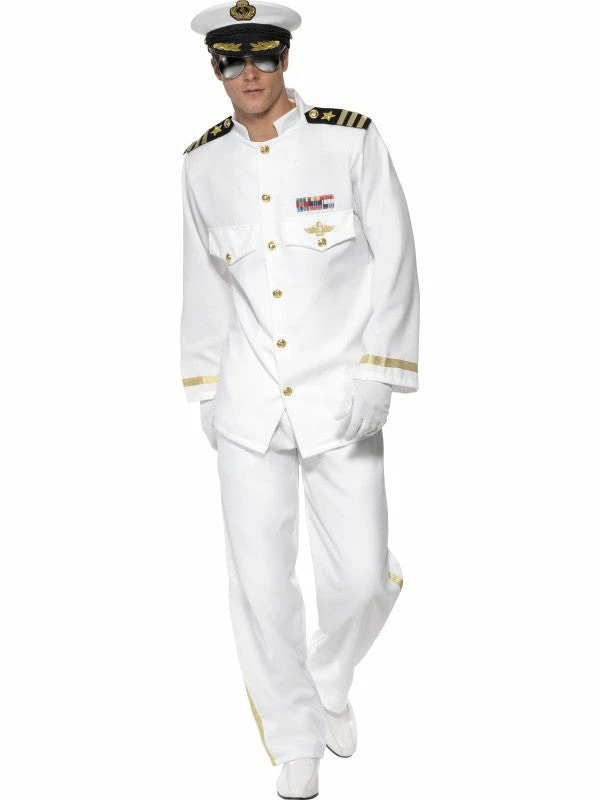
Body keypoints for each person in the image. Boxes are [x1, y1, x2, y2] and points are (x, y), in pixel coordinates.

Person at [180, 2, 420, 796]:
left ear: (284, 57)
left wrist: (381, 370)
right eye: (231, 58)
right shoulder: (201, 164)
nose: (247, 72)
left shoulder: (351, 140)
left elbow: (397, 256)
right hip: (248, 402)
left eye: (261, 54)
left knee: (359, 578)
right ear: (215, 66)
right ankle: (295, 741)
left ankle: (329, 677)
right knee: (259, 584)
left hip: (341, 395)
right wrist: (206, 388)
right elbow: (202, 282)